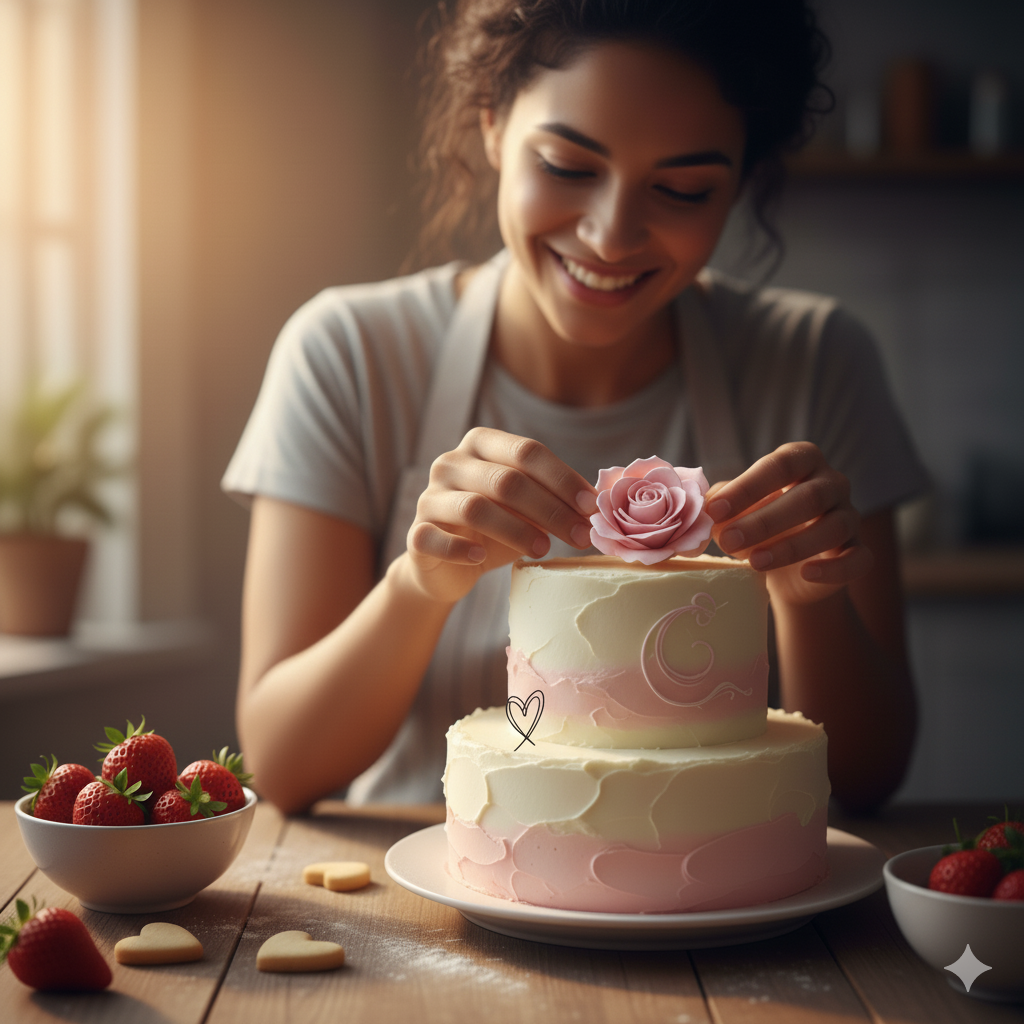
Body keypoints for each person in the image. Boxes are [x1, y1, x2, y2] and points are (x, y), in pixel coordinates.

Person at [223, 0, 928, 816]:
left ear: (742, 182)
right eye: (567, 166)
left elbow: (869, 777)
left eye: (683, 189)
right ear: (491, 124)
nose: (610, 234)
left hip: (723, 907)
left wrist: (812, 603)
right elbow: (281, 764)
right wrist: (418, 586)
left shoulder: (817, 360)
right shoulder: (347, 352)